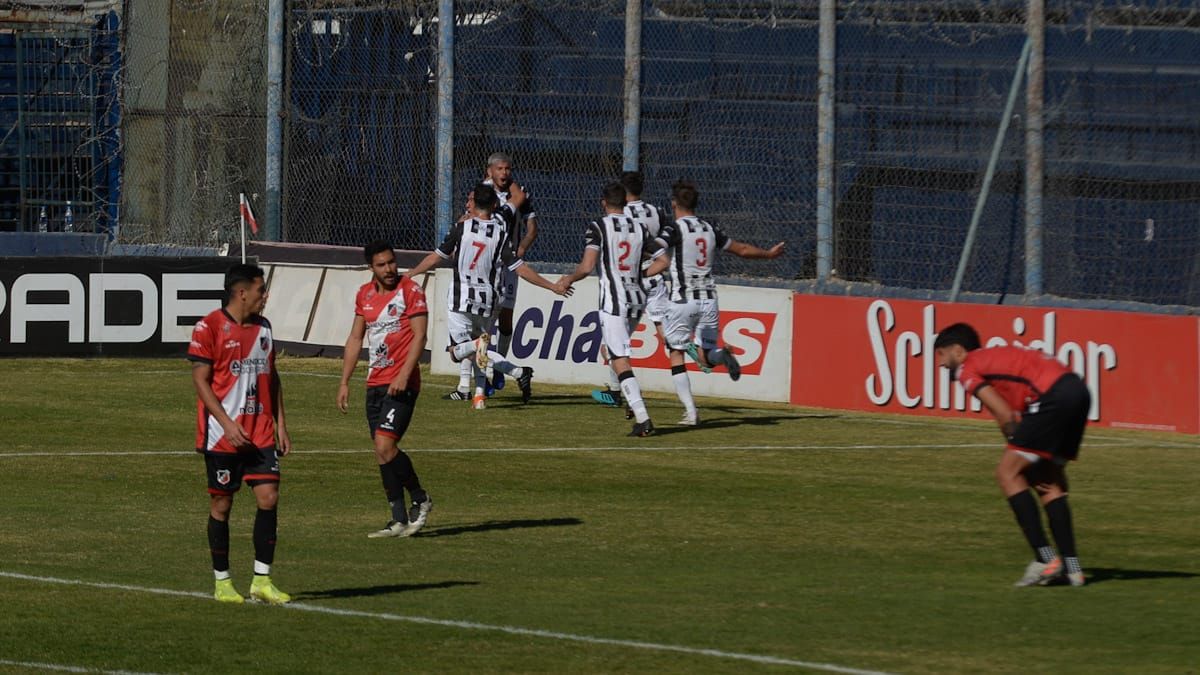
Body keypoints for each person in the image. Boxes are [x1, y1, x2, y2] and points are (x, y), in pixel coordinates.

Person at [933, 322, 1088, 587]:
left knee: (1007, 473)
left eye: (940, 355)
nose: (939, 365)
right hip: (1078, 393)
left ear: (958, 351)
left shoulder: (969, 367)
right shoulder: (999, 359)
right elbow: (1016, 417)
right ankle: (1073, 571)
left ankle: (1045, 559)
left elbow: (1004, 416)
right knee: (1049, 483)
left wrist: (1018, 456)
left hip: (1052, 397)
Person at [405, 182, 567, 409]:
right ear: (493, 204)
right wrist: (551, 286)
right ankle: (478, 396)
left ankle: (517, 371)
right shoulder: (500, 234)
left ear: (474, 203)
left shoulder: (461, 228)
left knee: (458, 352)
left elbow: (436, 256)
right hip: (488, 301)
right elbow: (519, 267)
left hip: (461, 298)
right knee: (478, 350)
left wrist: (411, 273)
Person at [188, 263, 292, 604]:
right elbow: (201, 382)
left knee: (269, 498)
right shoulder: (209, 327)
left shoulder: (264, 328)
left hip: (260, 431)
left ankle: (262, 579)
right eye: (261, 290)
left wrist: (281, 423)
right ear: (242, 292)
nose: (265, 296)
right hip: (222, 434)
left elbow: (272, 377)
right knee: (222, 503)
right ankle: (222, 581)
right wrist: (227, 423)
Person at [654, 180, 784, 426]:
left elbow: (655, 247)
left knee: (676, 352)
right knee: (704, 358)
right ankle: (722, 356)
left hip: (683, 300)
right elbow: (743, 250)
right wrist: (769, 254)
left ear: (674, 204)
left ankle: (691, 413)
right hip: (709, 301)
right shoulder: (710, 228)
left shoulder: (674, 229)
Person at [337, 241, 434, 538]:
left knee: (384, 445)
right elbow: (355, 339)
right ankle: (398, 519)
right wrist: (344, 381)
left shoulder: (410, 291)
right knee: (382, 453)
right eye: (382, 265)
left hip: (401, 383)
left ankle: (421, 498)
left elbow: (420, 336)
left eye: (392, 262)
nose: (390, 269)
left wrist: (404, 374)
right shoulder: (364, 296)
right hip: (375, 383)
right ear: (371, 267)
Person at [557, 181, 667, 437]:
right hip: (637, 297)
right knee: (610, 348)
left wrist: (567, 279)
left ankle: (642, 417)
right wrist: (641, 275)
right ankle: (631, 400)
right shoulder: (639, 227)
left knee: (619, 357)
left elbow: (587, 267)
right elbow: (663, 260)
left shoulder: (598, 227)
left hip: (613, 301)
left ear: (603, 202)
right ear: (625, 204)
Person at [446, 152, 540, 400]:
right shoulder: (481, 193)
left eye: (508, 169)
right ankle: (468, 386)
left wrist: (519, 251)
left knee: (500, 321)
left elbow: (531, 226)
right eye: (500, 169)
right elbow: (465, 218)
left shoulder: (516, 195)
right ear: (489, 171)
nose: (505, 173)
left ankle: (498, 371)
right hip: (485, 269)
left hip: (504, 264)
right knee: (476, 331)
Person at [591, 170, 668, 411]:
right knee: (664, 333)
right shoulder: (657, 212)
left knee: (612, 348)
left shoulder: (614, 220)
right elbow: (666, 241)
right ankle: (697, 349)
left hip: (622, 283)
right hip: (650, 279)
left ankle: (618, 394)